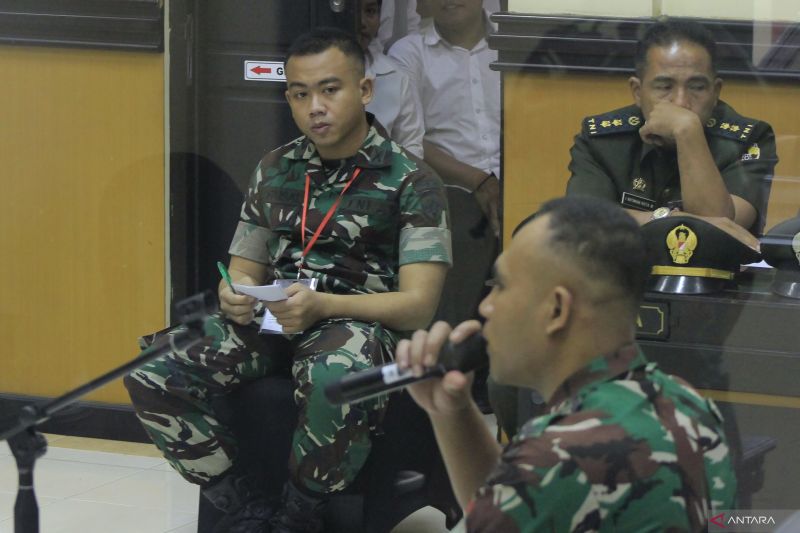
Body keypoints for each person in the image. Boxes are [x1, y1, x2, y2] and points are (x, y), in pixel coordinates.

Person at [124, 28, 451, 533]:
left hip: (354, 323)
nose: (315, 107)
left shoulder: (412, 180)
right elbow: (243, 267)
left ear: (364, 90)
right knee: (152, 371)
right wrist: (233, 294)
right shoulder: (276, 168)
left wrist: (324, 306)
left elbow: (418, 305)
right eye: (300, 94)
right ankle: (241, 503)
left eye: (329, 90)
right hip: (272, 317)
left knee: (335, 375)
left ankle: (301, 513)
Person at [396, 196, 737, 531]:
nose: (486, 307)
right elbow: (509, 506)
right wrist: (452, 412)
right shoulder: (689, 405)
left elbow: (519, 500)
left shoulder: (558, 456)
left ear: (557, 310)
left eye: (500, 286)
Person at [567, 19, 778, 236]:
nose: (681, 103)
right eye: (664, 87)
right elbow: (582, 221)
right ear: (637, 91)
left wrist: (687, 131)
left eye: (697, 87)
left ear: (715, 92)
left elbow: (718, 231)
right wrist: (666, 218)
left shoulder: (750, 139)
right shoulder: (601, 140)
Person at [360, 0, 425, 158]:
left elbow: (411, 145)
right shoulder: (308, 70)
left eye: (370, 11)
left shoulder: (395, 76)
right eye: (353, 13)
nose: (362, 22)